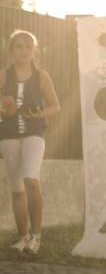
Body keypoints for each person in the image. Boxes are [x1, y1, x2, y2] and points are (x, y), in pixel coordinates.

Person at [2, 30, 61, 255]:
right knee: (17, 188)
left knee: (31, 181)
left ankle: (36, 237)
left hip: (34, 134)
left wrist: (39, 114)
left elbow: (56, 106)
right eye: (19, 46)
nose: (24, 50)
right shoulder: (3, 75)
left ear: (34, 50)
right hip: (7, 136)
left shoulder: (41, 76)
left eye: (28, 46)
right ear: (11, 50)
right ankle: (22, 238)